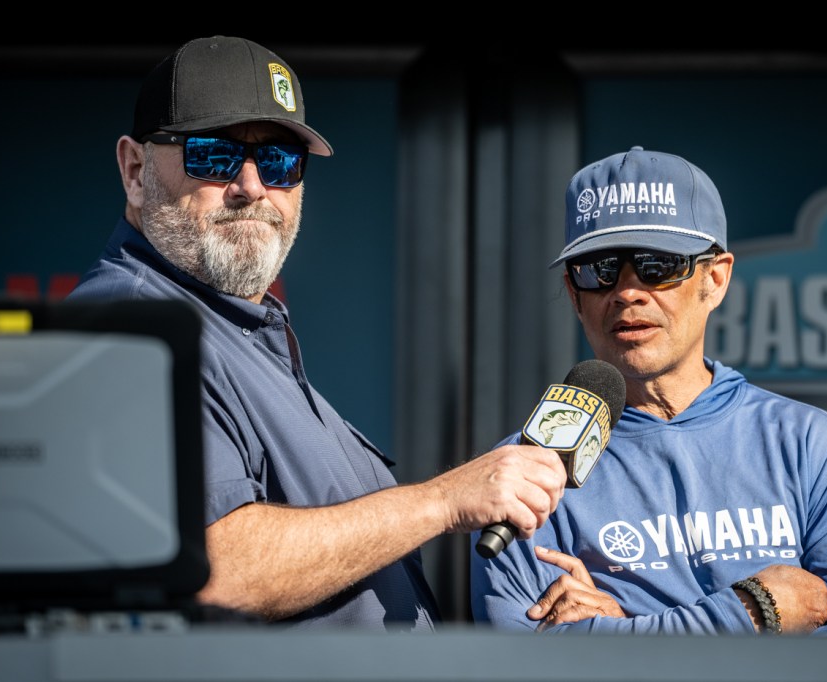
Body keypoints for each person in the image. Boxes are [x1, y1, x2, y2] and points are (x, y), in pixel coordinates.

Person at [67, 35, 568, 631]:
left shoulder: (235, 327)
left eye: (279, 161)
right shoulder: (129, 325)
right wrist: (443, 500)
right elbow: (219, 569)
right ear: (135, 169)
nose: (252, 186)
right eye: (213, 155)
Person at [470, 146, 827, 636]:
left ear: (716, 279)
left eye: (657, 265)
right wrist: (751, 613)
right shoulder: (525, 468)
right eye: (599, 269)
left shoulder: (807, 442)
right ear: (575, 294)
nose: (627, 292)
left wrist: (624, 635)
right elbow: (521, 654)